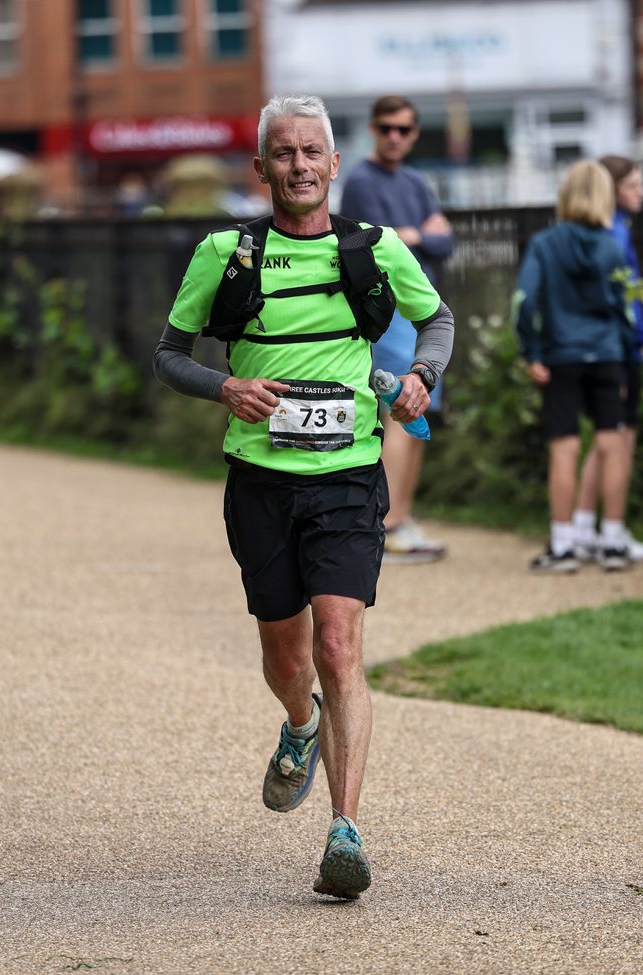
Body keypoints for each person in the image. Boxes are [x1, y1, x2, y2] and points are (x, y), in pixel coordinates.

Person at [154, 94, 454, 899]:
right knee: (287, 659)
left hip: (351, 478)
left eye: (311, 152)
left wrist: (422, 378)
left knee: (338, 645)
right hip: (261, 482)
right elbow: (168, 355)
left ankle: (345, 830)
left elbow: (439, 321)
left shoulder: (375, 247)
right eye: (282, 153)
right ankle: (300, 722)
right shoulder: (227, 253)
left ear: (333, 164)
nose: (298, 166)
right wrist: (226, 386)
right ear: (261, 168)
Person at [339, 95, 455, 564]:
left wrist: (413, 234)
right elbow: (372, 243)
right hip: (389, 314)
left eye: (403, 129)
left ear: (414, 133)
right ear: (373, 128)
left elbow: (445, 242)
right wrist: (417, 233)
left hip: (422, 311)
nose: (394, 136)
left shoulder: (415, 181)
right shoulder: (362, 181)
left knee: (417, 412)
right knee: (400, 411)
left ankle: (401, 519)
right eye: (386, 127)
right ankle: (386, 525)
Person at [514, 160, 635, 573]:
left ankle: (563, 546)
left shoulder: (545, 244)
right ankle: (613, 540)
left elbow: (524, 302)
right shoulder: (612, 246)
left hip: (560, 356)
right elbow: (624, 307)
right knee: (611, 443)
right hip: (606, 356)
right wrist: (625, 353)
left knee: (565, 448)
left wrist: (531, 351)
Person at [571, 156, 643, 562]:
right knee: (620, 440)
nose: (641, 192)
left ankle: (584, 526)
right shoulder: (615, 235)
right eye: (633, 186)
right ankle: (613, 534)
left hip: (593, 348)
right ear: (613, 189)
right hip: (620, 348)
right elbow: (624, 299)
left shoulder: (587, 233)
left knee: (604, 440)